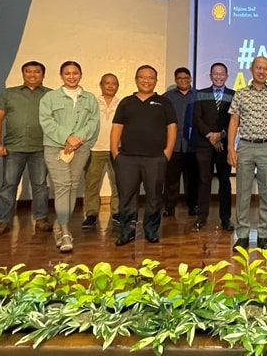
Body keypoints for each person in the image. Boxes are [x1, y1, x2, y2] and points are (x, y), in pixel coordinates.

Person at [111, 65, 176, 246]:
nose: (146, 81)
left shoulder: (164, 102)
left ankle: (151, 230)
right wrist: (116, 152)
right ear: (136, 79)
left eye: (150, 78)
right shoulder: (126, 102)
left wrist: (167, 153)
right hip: (127, 158)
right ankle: (127, 231)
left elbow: (172, 127)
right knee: (127, 197)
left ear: (155, 80)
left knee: (154, 196)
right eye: (142, 77)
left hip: (155, 158)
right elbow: (117, 127)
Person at [227, 56, 267, 251]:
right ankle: (242, 235)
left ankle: (263, 236)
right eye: (258, 68)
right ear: (251, 70)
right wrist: (230, 147)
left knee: (266, 193)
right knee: (243, 193)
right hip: (245, 146)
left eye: (265, 68)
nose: (262, 71)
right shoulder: (241, 94)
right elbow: (234, 121)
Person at [39, 60, 99, 253]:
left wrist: (78, 139)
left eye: (75, 73)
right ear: (61, 75)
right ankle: (65, 232)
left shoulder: (89, 98)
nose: (71, 76)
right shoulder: (50, 98)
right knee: (63, 187)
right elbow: (46, 121)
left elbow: (93, 122)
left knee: (73, 186)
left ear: (80, 75)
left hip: (80, 148)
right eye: (67, 73)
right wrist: (67, 137)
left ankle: (60, 224)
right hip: (56, 148)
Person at [0, 60, 52, 237]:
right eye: (28, 72)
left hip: (40, 147)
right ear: (23, 74)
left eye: (37, 72)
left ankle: (41, 219)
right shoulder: (9, 94)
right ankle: (2, 221)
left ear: (43, 75)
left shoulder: (50, 95)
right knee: (8, 185)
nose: (32, 75)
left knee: (40, 185)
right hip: (13, 148)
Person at [192, 62, 235, 232]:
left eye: (221, 74)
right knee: (204, 181)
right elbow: (197, 119)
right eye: (215, 74)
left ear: (226, 76)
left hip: (224, 145)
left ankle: (226, 219)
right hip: (204, 144)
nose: (218, 77)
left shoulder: (234, 95)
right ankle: (201, 218)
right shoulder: (201, 94)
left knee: (224, 181)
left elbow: (234, 120)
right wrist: (210, 135)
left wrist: (221, 135)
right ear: (210, 76)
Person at [81, 73, 120, 231]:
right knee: (92, 184)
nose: (110, 86)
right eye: (107, 83)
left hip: (116, 148)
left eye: (114, 83)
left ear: (117, 86)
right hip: (94, 148)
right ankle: (91, 214)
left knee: (118, 183)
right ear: (101, 84)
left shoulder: (122, 103)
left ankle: (117, 213)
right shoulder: (92, 102)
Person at [162, 67, 199, 218]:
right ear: (175, 80)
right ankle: (169, 207)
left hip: (193, 145)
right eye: (179, 78)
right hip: (173, 144)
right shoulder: (167, 97)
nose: (183, 80)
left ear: (190, 79)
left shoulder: (199, 95)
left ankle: (193, 205)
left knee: (193, 179)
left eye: (186, 78)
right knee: (171, 178)